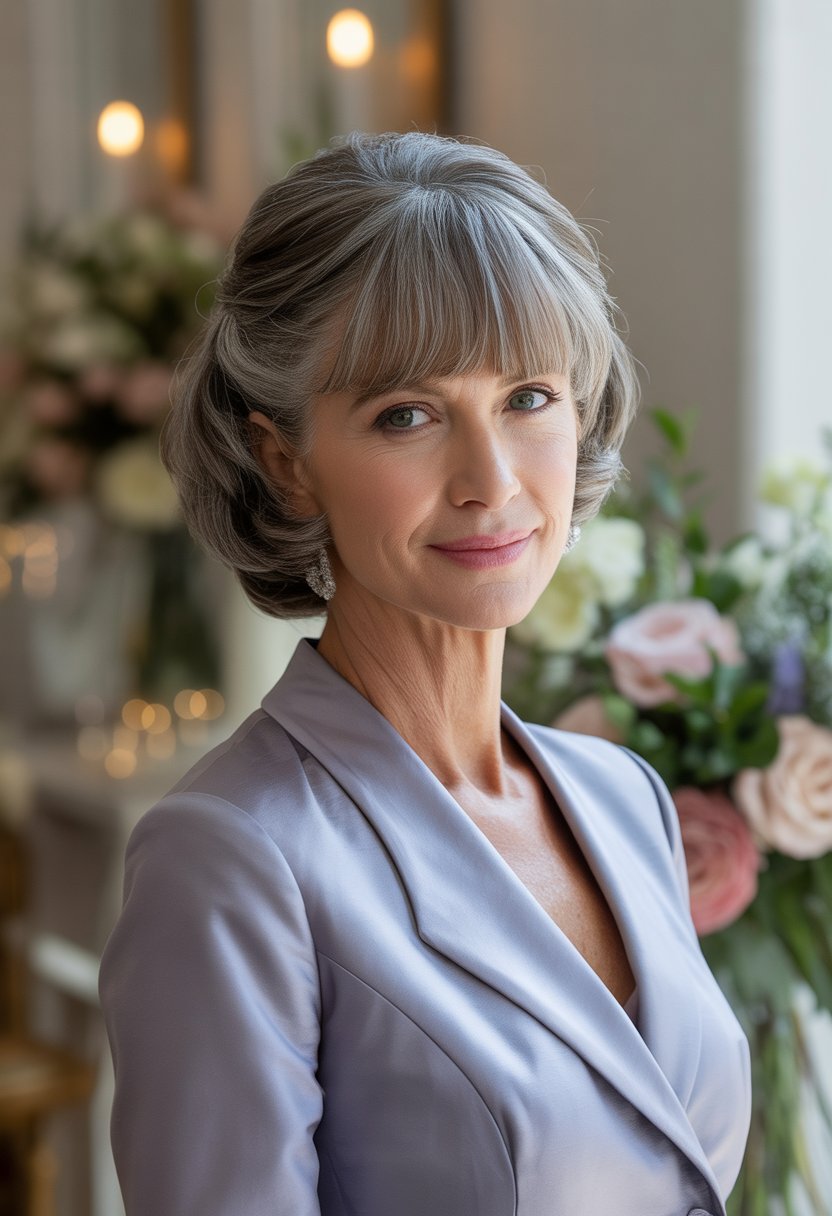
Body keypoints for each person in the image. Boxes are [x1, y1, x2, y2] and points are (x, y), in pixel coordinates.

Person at [98, 131, 751, 1216]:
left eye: (528, 397)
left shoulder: (620, 798)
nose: (490, 481)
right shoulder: (229, 858)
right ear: (286, 460)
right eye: (406, 414)